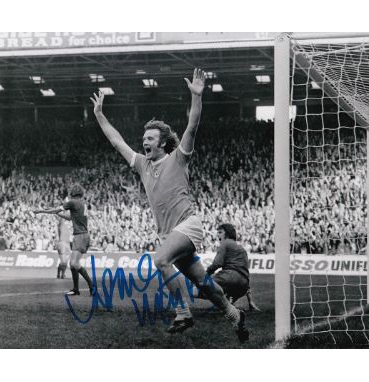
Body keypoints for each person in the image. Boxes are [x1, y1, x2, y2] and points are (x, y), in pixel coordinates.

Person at [91, 68, 249, 342]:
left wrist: (197, 97)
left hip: (188, 225)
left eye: (150, 138)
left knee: (160, 260)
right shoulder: (142, 164)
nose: (144, 142)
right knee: (203, 281)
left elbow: (192, 127)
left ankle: (183, 311)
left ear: (162, 143)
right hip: (169, 233)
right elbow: (117, 142)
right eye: (144, 139)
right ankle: (234, 315)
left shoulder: (178, 158)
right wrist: (100, 115)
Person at [34, 184, 94, 296]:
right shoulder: (81, 204)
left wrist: (41, 211)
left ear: (73, 194)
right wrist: (58, 214)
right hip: (83, 235)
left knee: (74, 264)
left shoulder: (73, 202)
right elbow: (70, 217)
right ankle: (76, 289)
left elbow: (56, 209)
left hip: (80, 236)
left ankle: (92, 286)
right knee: (72, 265)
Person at [203, 223, 261, 312]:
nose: (218, 235)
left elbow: (217, 264)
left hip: (229, 278)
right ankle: (228, 303)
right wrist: (250, 301)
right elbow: (245, 273)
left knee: (196, 290)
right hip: (243, 285)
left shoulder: (225, 243)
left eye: (220, 232)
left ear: (227, 233)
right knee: (230, 288)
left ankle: (223, 304)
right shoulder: (242, 249)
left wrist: (205, 275)